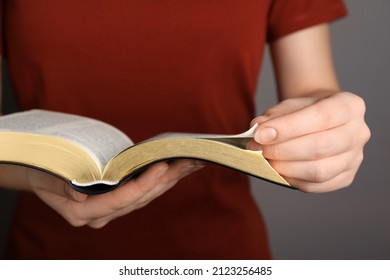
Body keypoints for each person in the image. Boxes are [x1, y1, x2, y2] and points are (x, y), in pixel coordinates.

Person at [0, 0, 370, 259]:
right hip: (48, 258)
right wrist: (41, 177)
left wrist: (326, 129)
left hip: (221, 254)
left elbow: (311, 93)